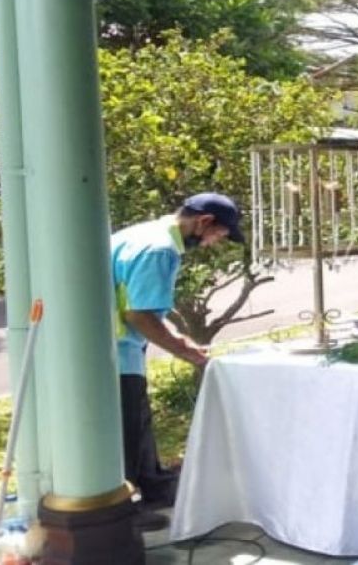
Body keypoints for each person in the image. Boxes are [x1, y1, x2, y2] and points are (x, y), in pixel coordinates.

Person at [112, 193, 244, 528]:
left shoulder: (143, 234)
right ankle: (125, 509)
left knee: (136, 421)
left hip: (114, 344)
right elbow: (140, 314)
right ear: (204, 222)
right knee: (126, 426)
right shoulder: (160, 250)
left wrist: (181, 339)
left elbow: (145, 307)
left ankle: (154, 485)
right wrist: (185, 352)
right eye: (219, 236)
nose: (214, 244)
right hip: (112, 351)